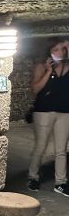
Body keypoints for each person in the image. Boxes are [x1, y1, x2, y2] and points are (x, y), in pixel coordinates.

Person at [27, 37, 69, 195]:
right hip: (44, 112)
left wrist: (67, 45)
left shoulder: (68, 67)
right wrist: (48, 72)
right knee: (40, 146)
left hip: (65, 112)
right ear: (49, 51)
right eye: (56, 49)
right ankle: (33, 176)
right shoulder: (41, 67)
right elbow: (36, 89)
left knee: (61, 150)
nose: (60, 52)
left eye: (62, 49)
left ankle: (60, 182)